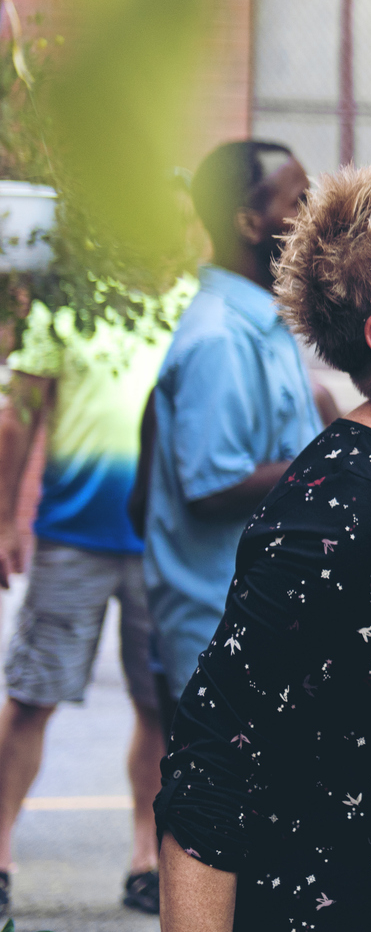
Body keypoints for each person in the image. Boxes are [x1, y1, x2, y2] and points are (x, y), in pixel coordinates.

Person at [154, 142, 371, 931]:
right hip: (219, 616)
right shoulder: (227, 347)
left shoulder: (264, 335)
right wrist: (328, 454)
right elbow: (204, 484)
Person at [0, 282, 191, 918]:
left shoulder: (193, 301)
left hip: (160, 540)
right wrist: (5, 522)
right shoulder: (67, 300)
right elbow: (18, 411)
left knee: (158, 706)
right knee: (32, 696)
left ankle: (146, 859)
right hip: (70, 537)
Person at [143, 142, 323, 709]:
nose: (316, 215)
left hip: (262, 623)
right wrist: (335, 461)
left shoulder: (262, 323)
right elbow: (213, 487)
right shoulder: (219, 337)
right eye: (301, 200)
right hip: (219, 634)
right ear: (249, 222)